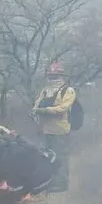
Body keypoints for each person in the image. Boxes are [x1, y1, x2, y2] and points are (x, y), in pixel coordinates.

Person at [32, 62, 76, 192]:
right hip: (46, 129)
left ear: (61, 75)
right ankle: (50, 182)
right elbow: (36, 105)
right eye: (50, 75)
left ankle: (62, 184)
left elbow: (62, 108)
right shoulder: (45, 90)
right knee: (47, 157)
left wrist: (45, 110)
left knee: (61, 156)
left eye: (54, 75)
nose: (52, 78)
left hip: (60, 130)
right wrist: (36, 112)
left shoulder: (68, 90)